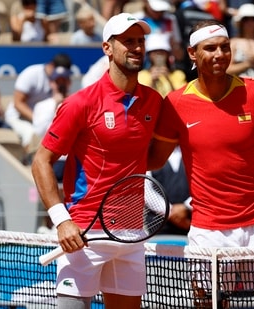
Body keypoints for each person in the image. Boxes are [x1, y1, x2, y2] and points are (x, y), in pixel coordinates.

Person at [147, 20, 254, 309]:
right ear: (192, 54)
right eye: (210, 48)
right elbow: (154, 159)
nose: (219, 54)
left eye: (225, 47)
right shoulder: (176, 103)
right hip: (208, 229)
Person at [31, 13, 162, 309]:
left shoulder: (154, 101)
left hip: (131, 233)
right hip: (84, 232)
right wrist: (62, 221)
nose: (137, 47)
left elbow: (154, 157)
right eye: (128, 41)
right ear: (107, 48)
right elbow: (41, 162)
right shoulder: (81, 103)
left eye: (140, 41)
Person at [5, 53, 72, 149]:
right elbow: (18, 103)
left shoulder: (60, 84)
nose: (60, 81)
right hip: (18, 117)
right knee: (31, 134)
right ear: (51, 65)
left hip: (41, 117)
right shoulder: (32, 74)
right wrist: (38, 120)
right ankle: (28, 161)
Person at [32, 66, 71, 182]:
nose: (60, 85)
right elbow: (39, 131)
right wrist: (56, 107)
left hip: (71, 158)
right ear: (51, 83)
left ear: (69, 82)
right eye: (57, 81)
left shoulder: (77, 102)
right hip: (52, 157)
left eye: (63, 81)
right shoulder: (41, 106)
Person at [227, 3, 254, 82]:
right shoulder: (233, 42)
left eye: (253, 19)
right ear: (241, 22)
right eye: (246, 19)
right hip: (240, 85)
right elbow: (227, 69)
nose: (250, 22)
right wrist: (247, 64)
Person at [138, 33, 187, 98]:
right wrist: (152, 82)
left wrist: (168, 79)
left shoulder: (178, 75)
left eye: (162, 52)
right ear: (149, 54)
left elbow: (182, 98)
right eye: (155, 52)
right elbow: (142, 100)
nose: (158, 54)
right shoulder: (141, 75)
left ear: (168, 54)